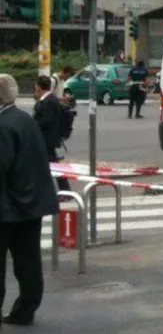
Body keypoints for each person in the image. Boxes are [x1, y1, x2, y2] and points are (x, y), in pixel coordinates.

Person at [0, 74, 60, 327]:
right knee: (28, 262)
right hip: (32, 204)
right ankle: (26, 310)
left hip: (7, 208)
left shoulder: (3, 125)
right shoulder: (24, 119)